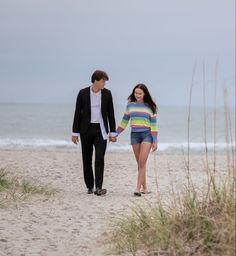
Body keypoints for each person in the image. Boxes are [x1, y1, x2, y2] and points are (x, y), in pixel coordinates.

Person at [72, 70, 117, 196]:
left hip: (101, 130)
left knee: (99, 158)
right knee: (86, 159)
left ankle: (98, 187)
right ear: (95, 81)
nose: (104, 84)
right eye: (103, 81)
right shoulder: (83, 93)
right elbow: (77, 113)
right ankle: (90, 186)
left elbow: (111, 113)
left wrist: (113, 133)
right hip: (85, 130)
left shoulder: (107, 94)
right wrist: (74, 133)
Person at [116, 83, 158, 196]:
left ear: (144, 94)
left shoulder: (150, 107)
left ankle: (137, 189)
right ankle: (145, 188)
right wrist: (116, 133)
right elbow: (124, 122)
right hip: (134, 135)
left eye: (140, 93)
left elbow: (154, 125)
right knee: (140, 164)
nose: (137, 95)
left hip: (146, 135)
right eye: (136, 93)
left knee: (142, 162)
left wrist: (155, 141)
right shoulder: (130, 106)